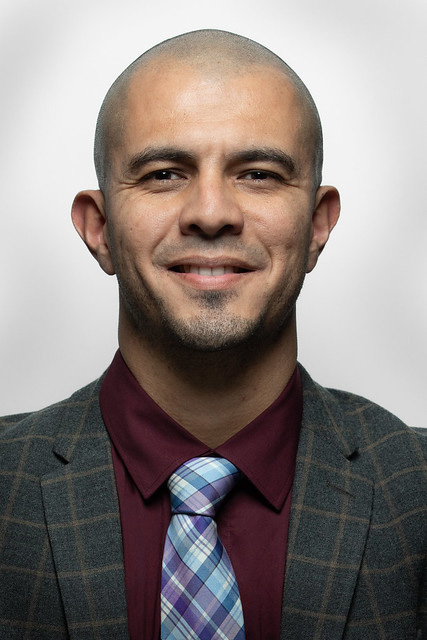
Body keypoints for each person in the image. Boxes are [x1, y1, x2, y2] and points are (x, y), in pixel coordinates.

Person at [0, 29, 425, 640]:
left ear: (317, 225)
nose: (210, 212)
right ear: (99, 229)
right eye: (164, 173)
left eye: (257, 174)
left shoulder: (416, 492)